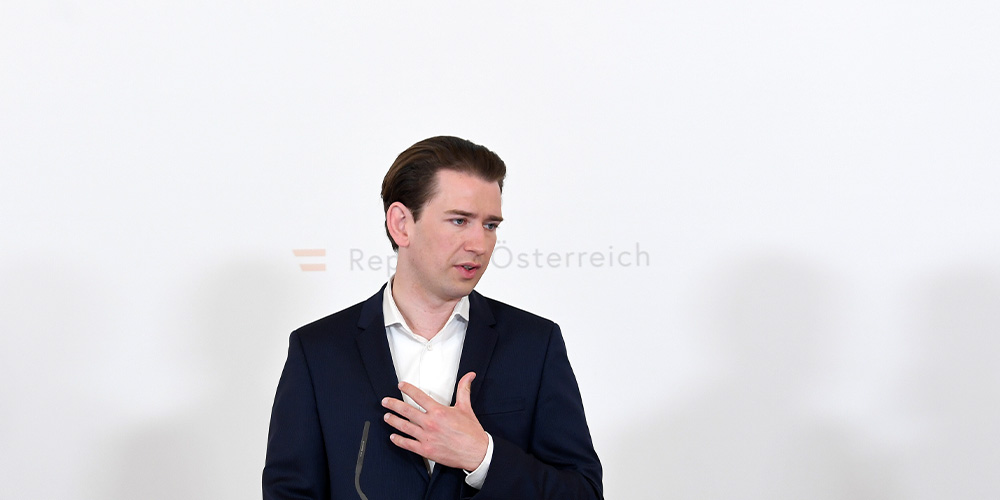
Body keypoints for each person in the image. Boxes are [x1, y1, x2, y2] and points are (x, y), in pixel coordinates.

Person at [262, 136, 603, 499]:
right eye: (459, 220)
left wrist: (482, 456)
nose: (479, 244)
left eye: (490, 225)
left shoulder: (535, 343)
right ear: (401, 224)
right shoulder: (318, 350)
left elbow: (583, 493)